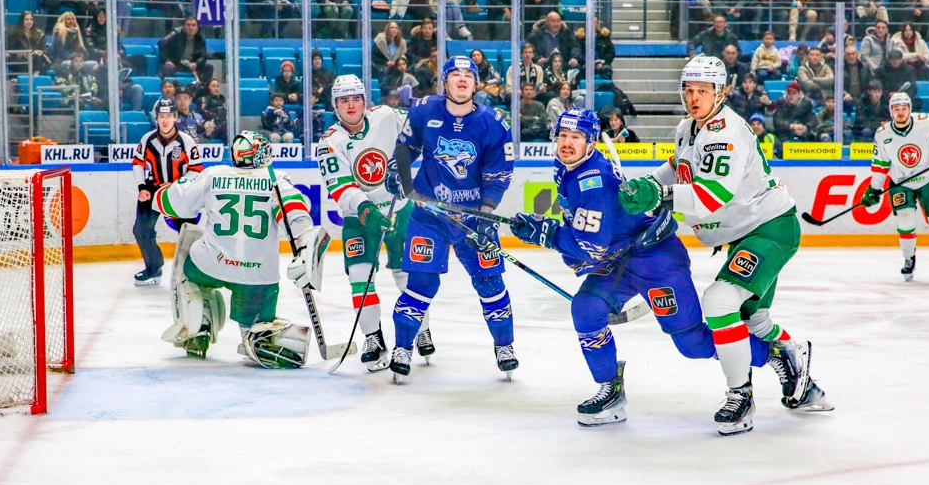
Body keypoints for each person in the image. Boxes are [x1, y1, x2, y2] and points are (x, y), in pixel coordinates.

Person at [618, 56, 832, 435]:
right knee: (753, 318)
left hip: (770, 229)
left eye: (702, 91)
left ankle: (741, 396)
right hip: (746, 235)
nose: (694, 97)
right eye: (688, 90)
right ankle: (796, 363)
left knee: (719, 300)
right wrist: (645, 183)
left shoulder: (727, 132)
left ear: (721, 92)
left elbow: (710, 197)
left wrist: (656, 195)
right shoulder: (688, 128)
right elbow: (678, 167)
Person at [507, 108, 751, 424]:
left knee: (693, 343)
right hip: (620, 257)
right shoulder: (565, 166)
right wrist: (547, 229)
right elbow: (589, 231)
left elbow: (591, 246)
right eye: (563, 136)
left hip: (656, 259)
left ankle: (776, 355)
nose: (567, 143)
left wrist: (548, 233)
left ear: (591, 142)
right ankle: (610, 390)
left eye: (576, 137)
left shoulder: (595, 180)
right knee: (586, 308)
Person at [386, 55, 517, 381]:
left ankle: (505, 346)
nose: (461, 80)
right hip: (429, 215)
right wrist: (397, 173)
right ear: (444, 82)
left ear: (476, 83)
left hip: (472, 217)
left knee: (490, 282)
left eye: (468, 75)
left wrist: (486, 213)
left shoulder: (494, 123)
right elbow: (405, 148)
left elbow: (499, 174)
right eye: (455, 75)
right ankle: (402, 347)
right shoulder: (423, 110)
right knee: (421, 283)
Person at [153, 131, 315, 366]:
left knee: (189, 246)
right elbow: (297, 217)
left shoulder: (213, 174)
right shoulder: (276, 179)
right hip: (257, 276)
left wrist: (161, 192)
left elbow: (176, 206)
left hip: (210, 264)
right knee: (255, 326)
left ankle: (198, 328)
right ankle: (256, 336)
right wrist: (305, 246)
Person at [314, 75, 431, 371]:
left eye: (355, 99)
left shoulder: (388, 117)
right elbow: (340, 187)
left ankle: (421, 328)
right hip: (360, 220)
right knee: (360, 278)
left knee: (407, 275)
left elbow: (420, 128)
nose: (351, 105)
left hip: (400, 210)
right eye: (344, 101)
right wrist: (368, 211)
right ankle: (373, 338)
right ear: (335, 106)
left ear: (365, 101)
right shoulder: (329, 142)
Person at [862, 92, 929, 280]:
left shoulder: (925, 121)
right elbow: (879, 165)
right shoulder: (882, 133)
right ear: (890, 112)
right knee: (905, 220)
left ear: (910, 109)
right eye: (896, 109)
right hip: (900, 183)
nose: (900, 113)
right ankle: (909, 260)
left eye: (903, 108)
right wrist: (874, 189)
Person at [130, 98, 203, 286]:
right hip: (152, 189)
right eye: (161, 117)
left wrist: (178, 186)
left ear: (175, 118)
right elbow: (138, 164)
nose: (165, 121)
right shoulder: (147, 140)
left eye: (169, 116)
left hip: (180, 192)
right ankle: (153, 269)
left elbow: (196, 170)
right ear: (156, 118)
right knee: (141, 229)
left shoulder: (186, 141)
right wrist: (142, 187)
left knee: (187, 233)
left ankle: (192, 272)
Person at [158, 16, 213, 83]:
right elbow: (161, 44)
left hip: (192, 64)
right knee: (167, 68)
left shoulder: (200, 39)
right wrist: (166, 60)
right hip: (176, 63)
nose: (190, 27)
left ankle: (205, 89)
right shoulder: (175, 34)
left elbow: (203, 56)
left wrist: (196, 64)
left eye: (193, 25)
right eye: (188, 25)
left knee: (209, 67)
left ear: (197, 28)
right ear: (183, 27)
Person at [196, 78, 228, 143]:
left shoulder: (219, 100)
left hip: (220, 126)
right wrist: (216, 118)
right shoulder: (204, 98)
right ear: (208, 88)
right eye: (213, 86)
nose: (216, 88)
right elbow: (202, 111)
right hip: (209, 126)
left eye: (217, 86)